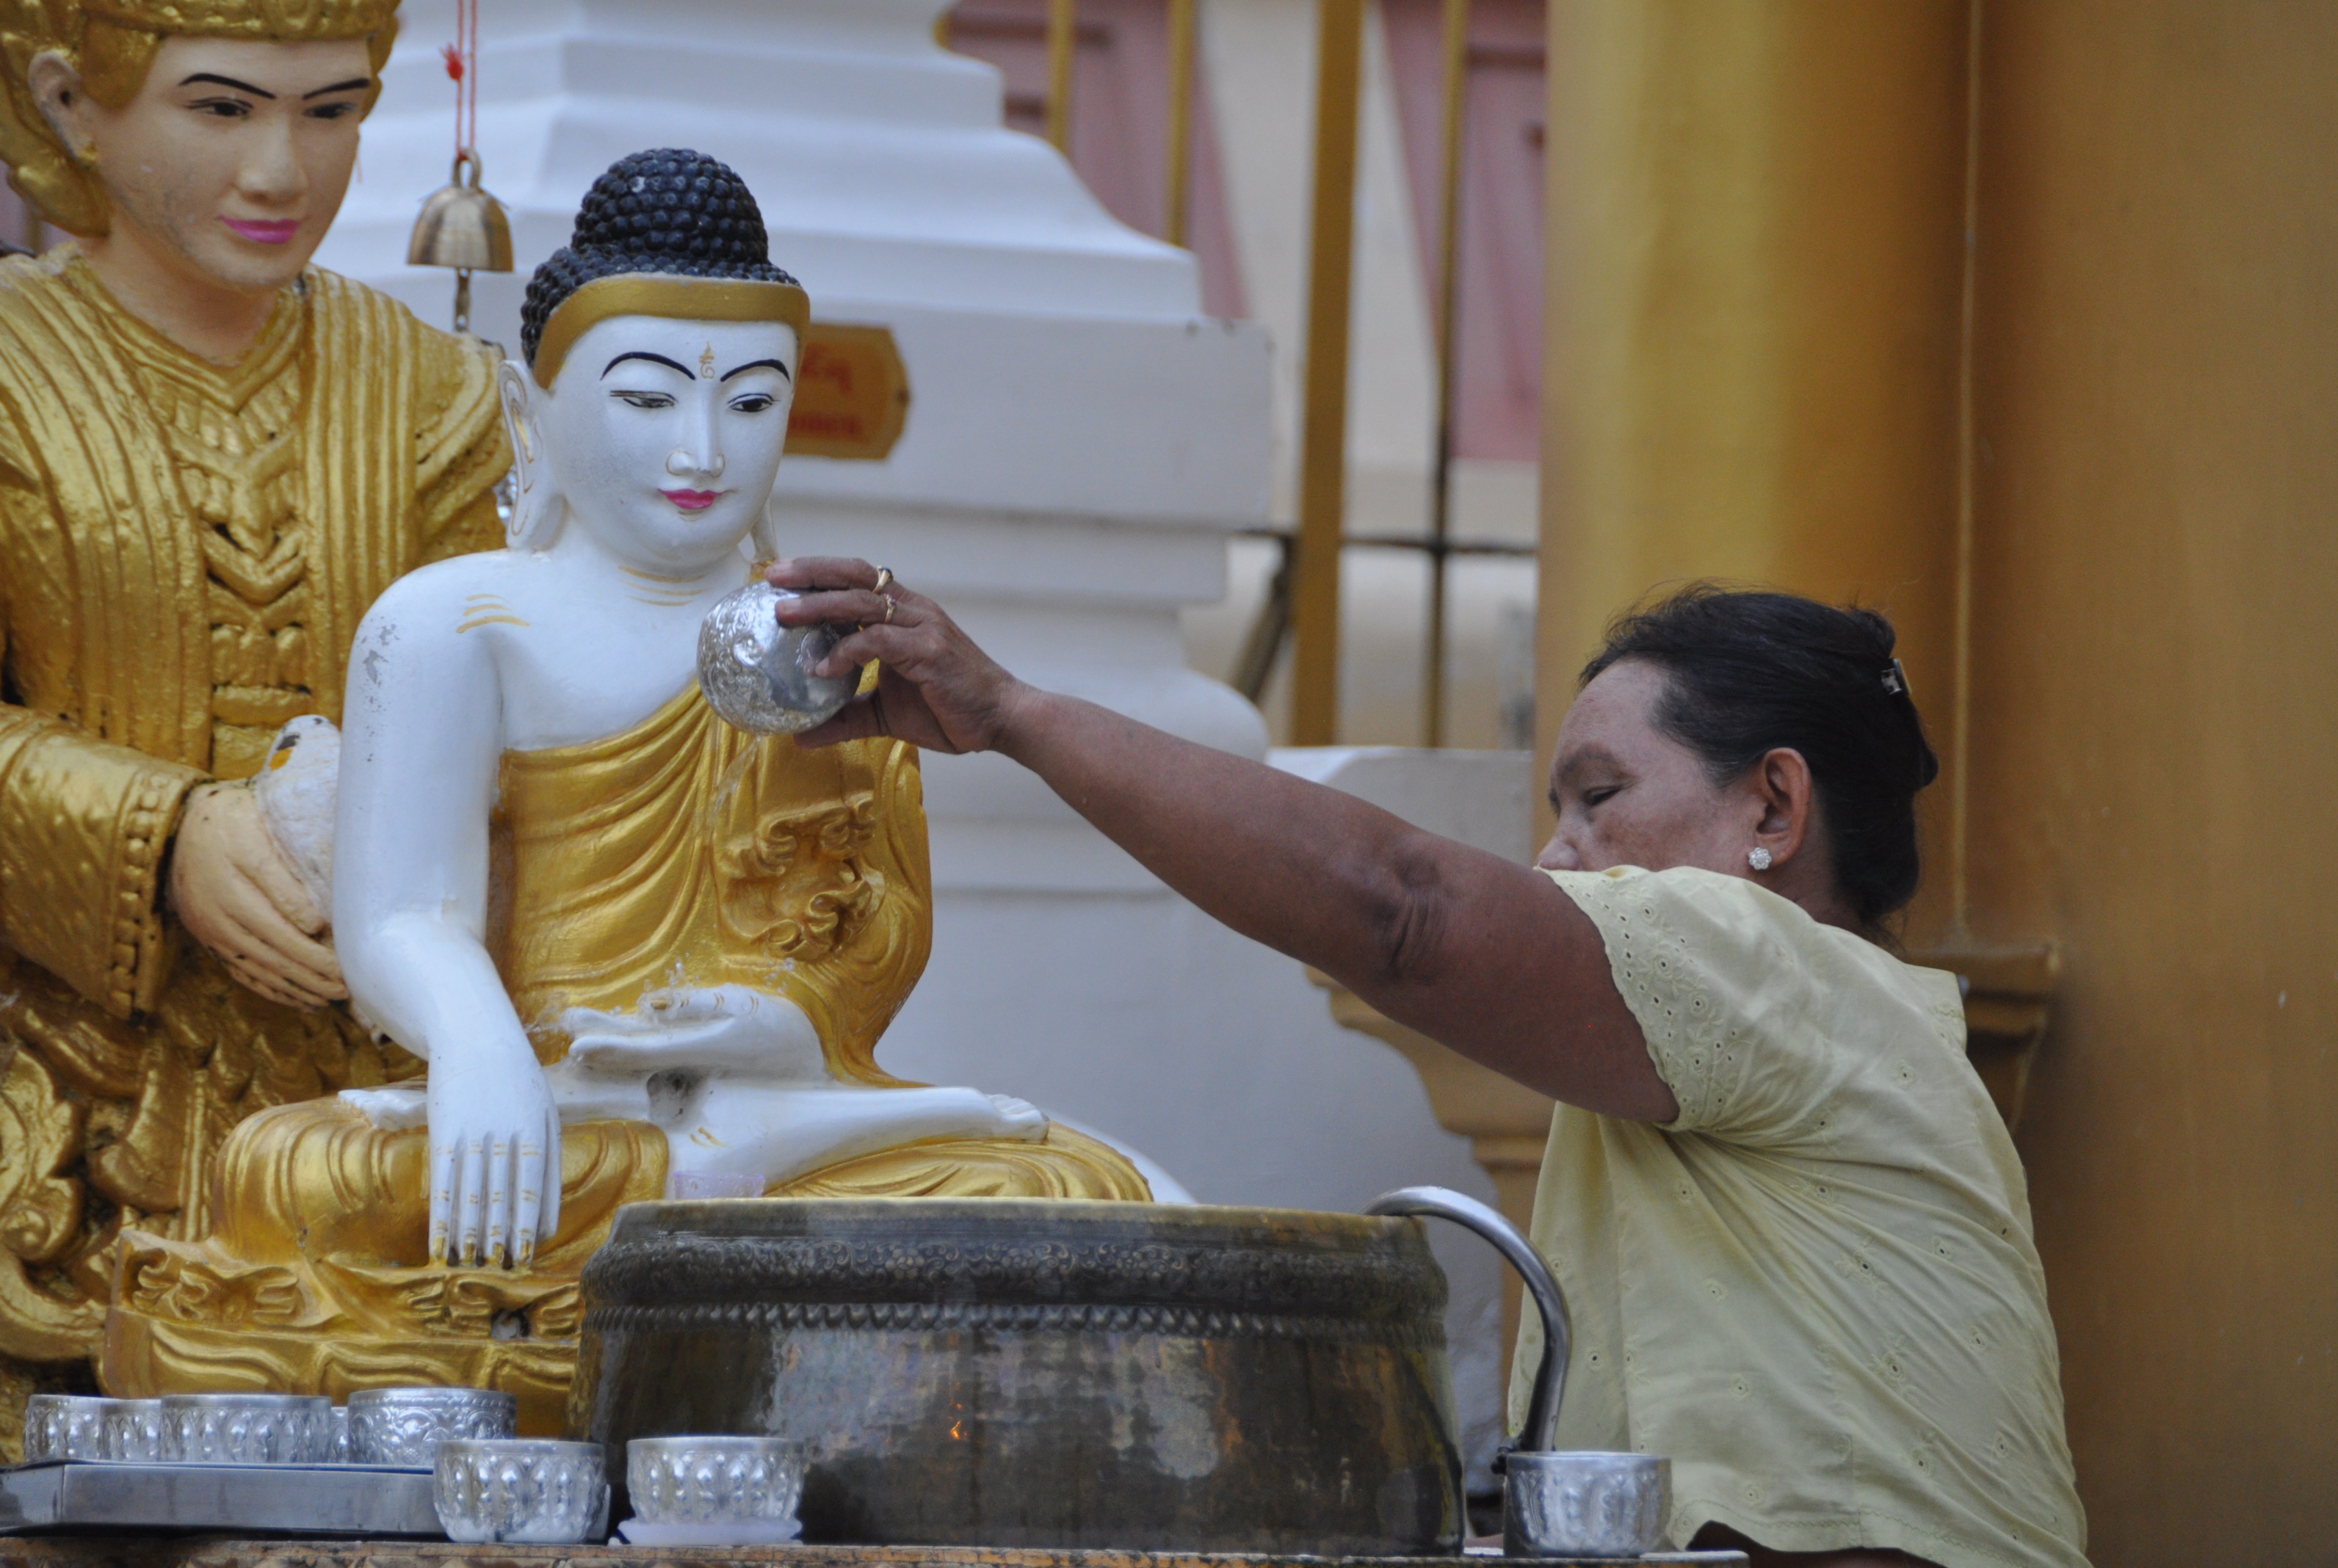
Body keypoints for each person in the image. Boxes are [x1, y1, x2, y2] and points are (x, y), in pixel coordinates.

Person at [101, 150, 1146, 1431]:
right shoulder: (459, 622)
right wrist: (483, 1050)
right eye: (647, 399)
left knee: (1074, 1190)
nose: (701, 450)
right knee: (299, 1175)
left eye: (752, 404)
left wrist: (771, 1025)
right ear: (537, 408)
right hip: (538, 1107)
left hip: (754, 1111)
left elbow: (869, 935)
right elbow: (398, 920)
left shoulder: (824, 638)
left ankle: (672, 1243)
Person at [770, 565, 2090, 1568]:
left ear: (1775, 810)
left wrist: (1012, 714)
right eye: (1554, 811)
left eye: (1600, 796)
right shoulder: (1823, 1026)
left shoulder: (1759, 960)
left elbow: (1401, 912)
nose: (1556, 856)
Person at [0, 0, 504, 1454]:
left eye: (332, 112)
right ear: (73, 102)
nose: (285, 169)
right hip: (58, 1152)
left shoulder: (434, 397)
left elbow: (529, 749)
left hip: (377, 1157)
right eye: (222, 110)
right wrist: (154, 835)